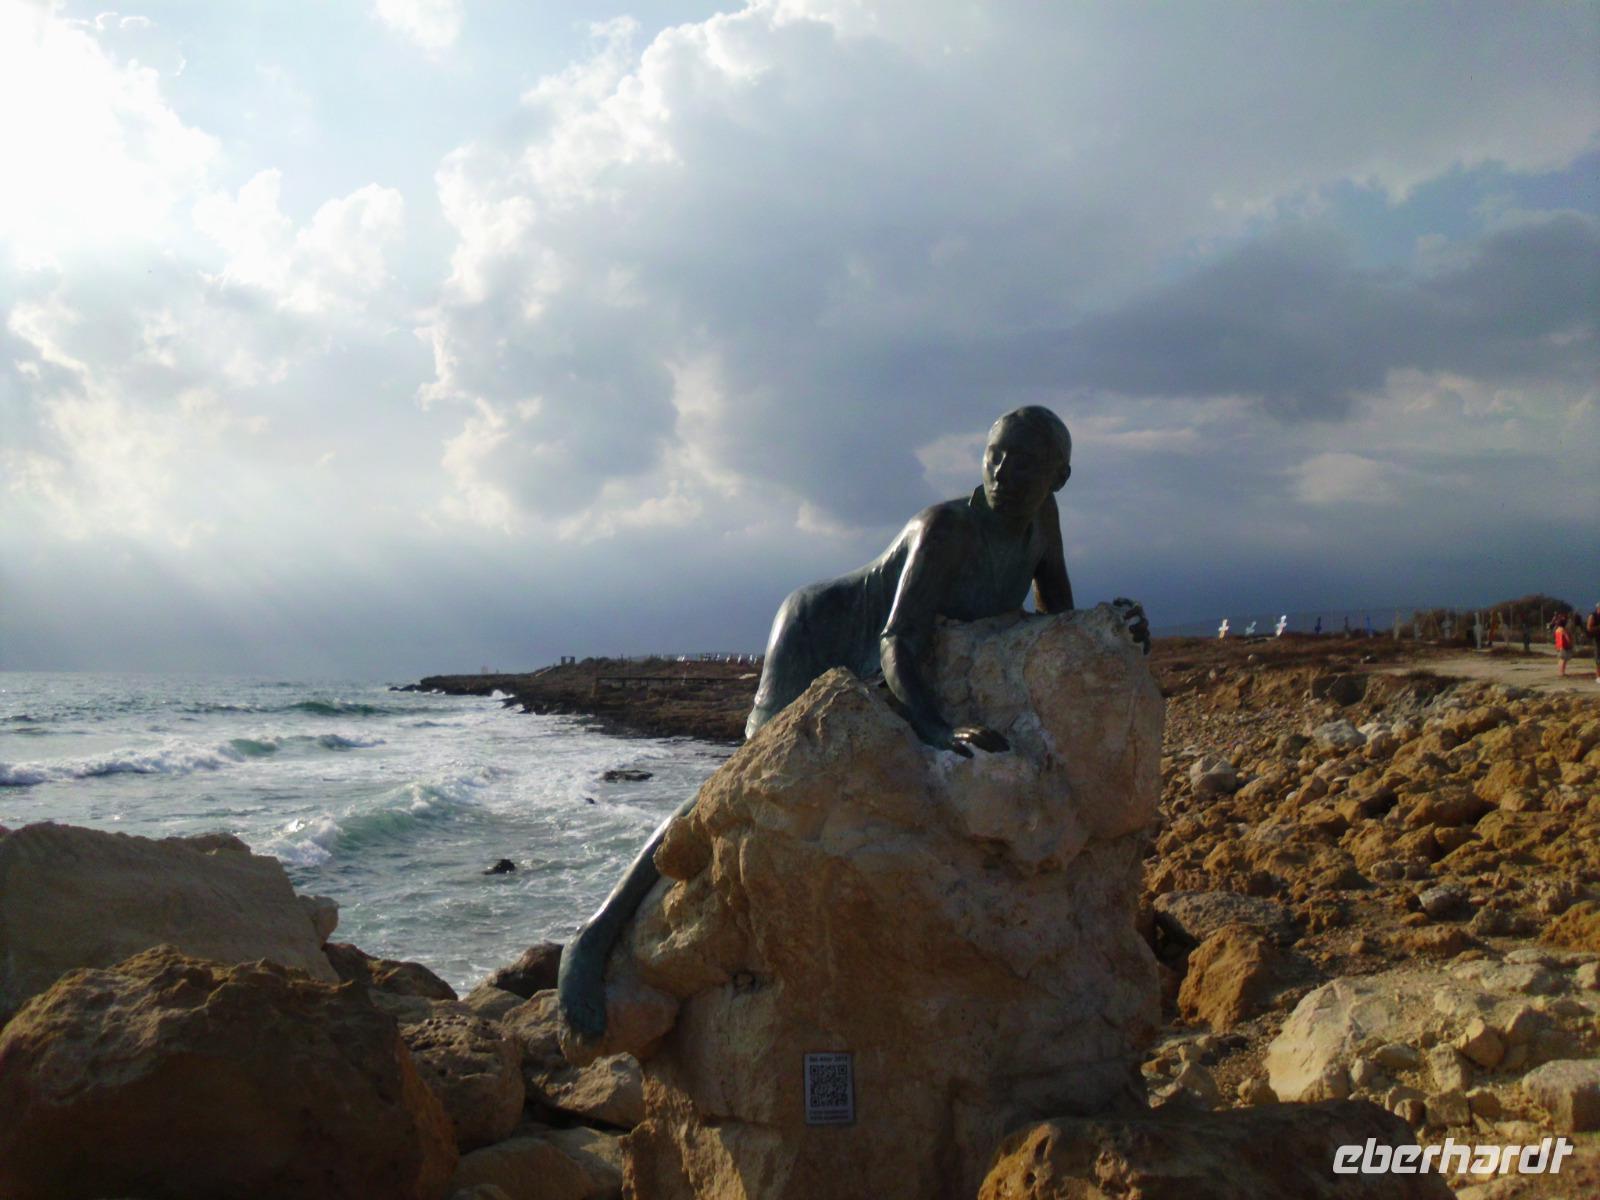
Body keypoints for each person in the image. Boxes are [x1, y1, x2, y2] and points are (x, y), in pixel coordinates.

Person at [556, 406, 1150, 1039]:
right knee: (733, 786)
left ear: (1058, 479)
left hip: (886, 652)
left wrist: (1109, 628)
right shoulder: (946, 528)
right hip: (823, 628)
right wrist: (937, 732)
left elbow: (1055, 611)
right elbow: (895, 638)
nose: (1003, 471)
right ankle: (593, 937)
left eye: (1025, 462)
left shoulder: (1040, 523)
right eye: (994, 453)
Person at [1588, 604, 1600, 682]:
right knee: (1598, 658)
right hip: (1597, 638)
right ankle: (1598, 676)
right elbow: (1589, 628)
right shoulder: (1593, 616)